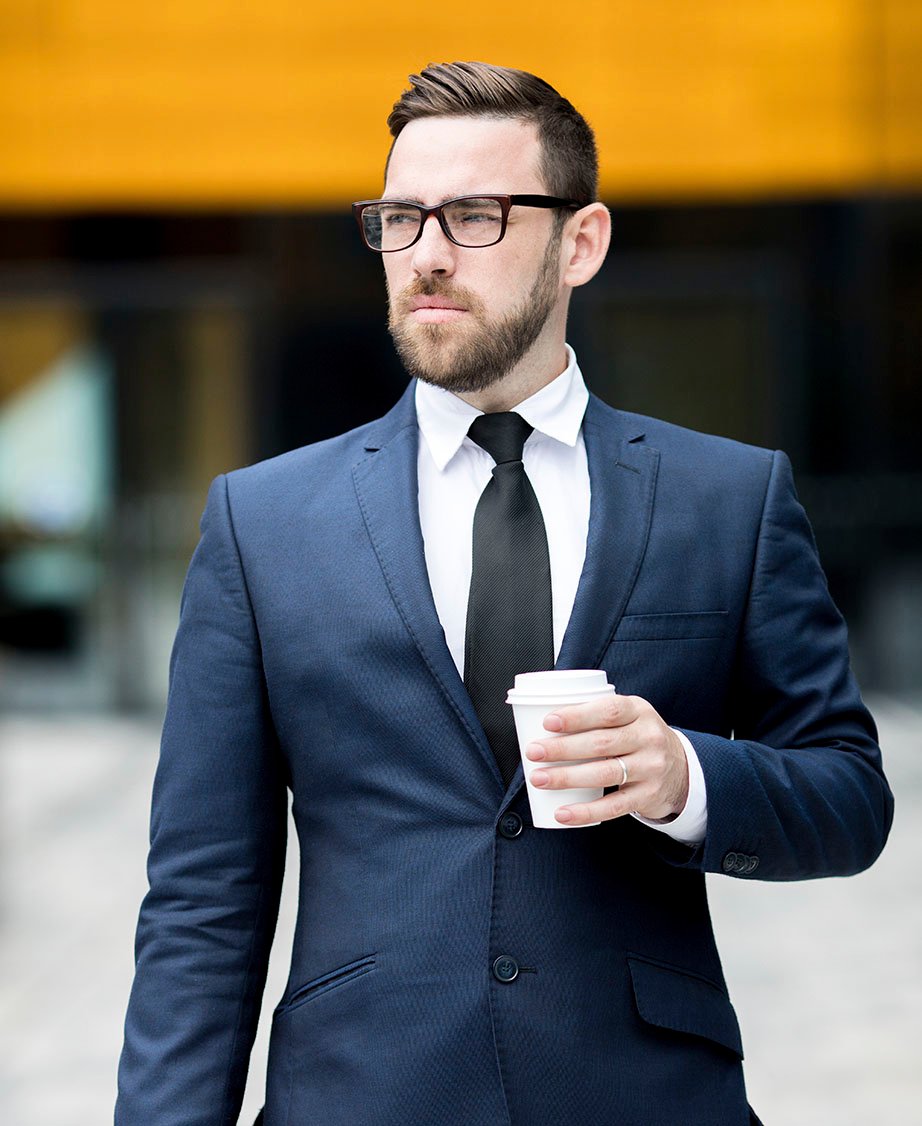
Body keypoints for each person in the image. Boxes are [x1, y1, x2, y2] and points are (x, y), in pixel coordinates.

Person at [116, 61, 893, 1126]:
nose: (426, 254)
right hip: (359, 1097)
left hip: (647, 1098)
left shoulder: (729, 498)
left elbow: (848, 798)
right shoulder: (262, 523)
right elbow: (203, 902)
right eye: (399, 218)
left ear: (581, 242)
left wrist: (683, 776)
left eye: (474, 215)